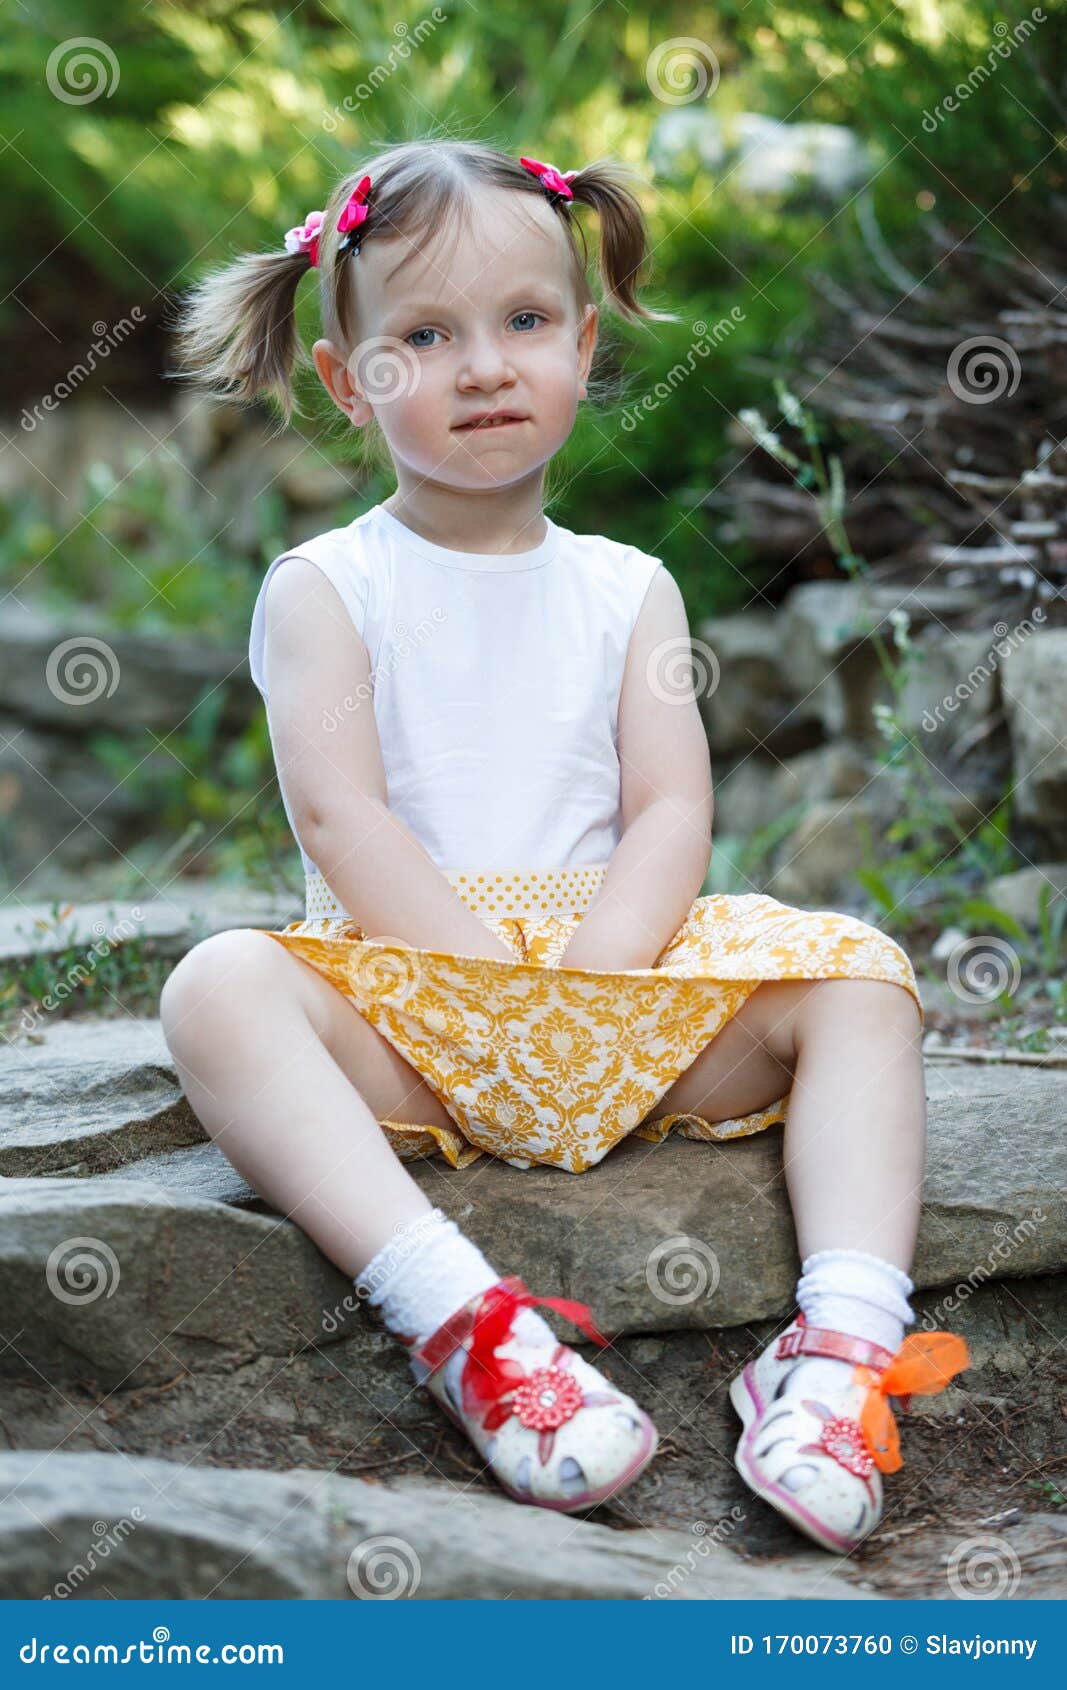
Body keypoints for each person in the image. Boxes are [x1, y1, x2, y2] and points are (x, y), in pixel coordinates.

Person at [161, 138, 967, 1547]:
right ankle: (475, 1331)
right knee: (218, 990)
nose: (483, 364)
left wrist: (597, 973)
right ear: (350, 380)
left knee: (863, 978)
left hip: (615, 978)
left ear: (586, 348)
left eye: (525, 322)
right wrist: (487, 983)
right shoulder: (329, 586)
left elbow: (669, 806)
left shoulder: (625, 588)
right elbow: (344, 812)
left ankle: (838, 1348)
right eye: (425, 333)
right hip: (420, 994)